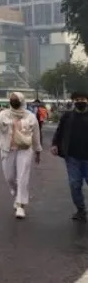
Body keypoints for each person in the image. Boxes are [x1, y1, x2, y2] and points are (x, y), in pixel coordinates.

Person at [0, 92, 41, 219]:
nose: (13, 101)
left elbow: (36, 135)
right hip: (8, 149)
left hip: (25, 149)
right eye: (11, 99)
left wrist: (38, 151)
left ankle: (20, 205)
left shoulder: (30, 116)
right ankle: (16, 192)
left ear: (21, 101)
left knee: (22, 177)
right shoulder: (4, 114)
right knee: (9, 177)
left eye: (15, 99)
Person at [51, 91, 88, 222]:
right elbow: (59, 131)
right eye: (77, 99)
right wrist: (55, 144)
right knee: (74, 184)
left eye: (83, 99)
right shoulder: (67, 116)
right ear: (73, 101)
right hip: (72, 157)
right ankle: (81, 210)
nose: (80, 101)